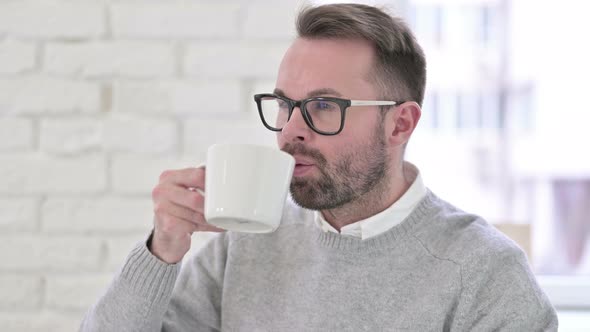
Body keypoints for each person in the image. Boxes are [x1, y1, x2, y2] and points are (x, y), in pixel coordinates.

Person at [81, 4, 558, 331]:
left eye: (324, 106)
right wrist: (163, 248)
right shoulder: (245, 246)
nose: (291, 131)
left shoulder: (485, 272)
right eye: (284, 104)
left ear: (400, 124)